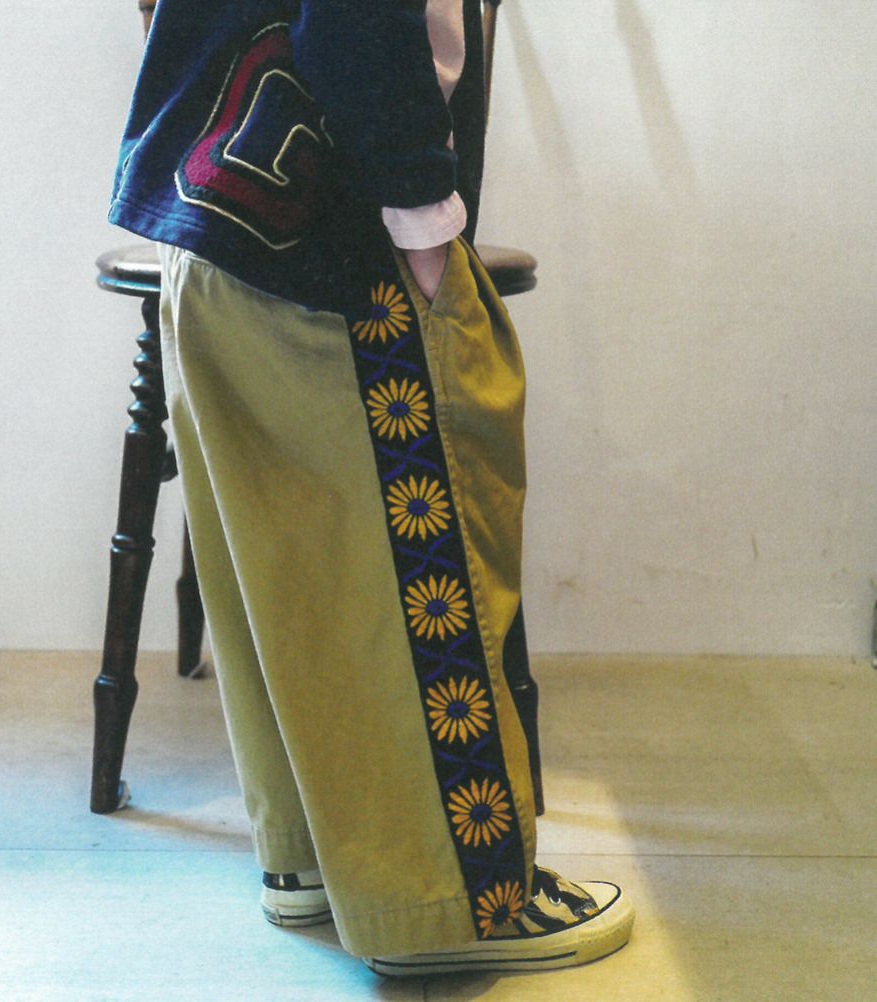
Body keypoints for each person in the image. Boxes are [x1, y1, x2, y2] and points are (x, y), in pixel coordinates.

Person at [108, 0, 634, 976]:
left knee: (280, 566)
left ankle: (309, 861)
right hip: (341, 248)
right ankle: (448, 909)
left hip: (214, 215)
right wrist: (426, 231)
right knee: (415, 569)